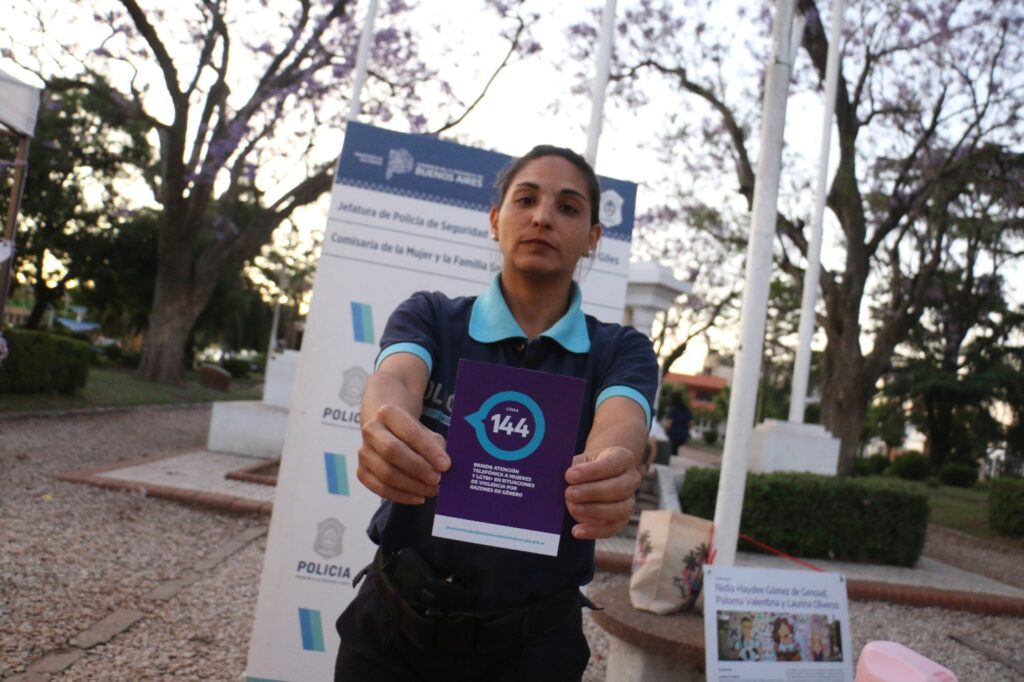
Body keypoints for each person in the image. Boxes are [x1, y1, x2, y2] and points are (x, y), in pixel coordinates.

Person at [334, 145, 658, 681]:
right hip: (389, 637)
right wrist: (384, 427)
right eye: (525, 199)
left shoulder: (619, 350)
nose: (542, 217)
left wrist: (612, 467)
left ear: (594, 237)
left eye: (568, 207)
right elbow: (394, 379)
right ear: (495, 220)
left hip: (533, 653)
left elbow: (622, 421)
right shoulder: (431, 317)